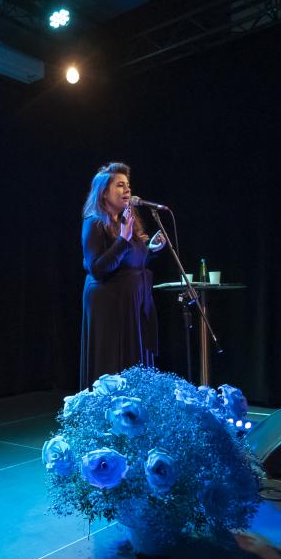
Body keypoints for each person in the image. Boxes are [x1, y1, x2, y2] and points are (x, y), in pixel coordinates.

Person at [79, 162, 167, 389]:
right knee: (113, 364)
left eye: (127, 185)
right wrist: (123, 240)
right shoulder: (94, 223)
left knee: (134, 363)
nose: (127, 189)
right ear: (104, 193)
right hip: (109, 306)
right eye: (120, 185)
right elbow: (98, 269)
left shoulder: (127, 221)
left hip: (133, 305)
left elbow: (130, 263)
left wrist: (151, 250)